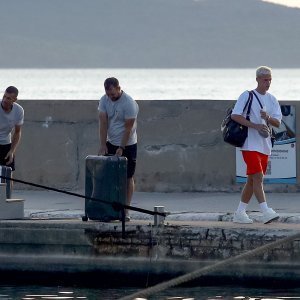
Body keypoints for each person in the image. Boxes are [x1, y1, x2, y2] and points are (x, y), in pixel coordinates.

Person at [231, 66, 282, 224]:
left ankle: (239, 212)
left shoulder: (272, 99)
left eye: (270, 80)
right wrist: (254, 125)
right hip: (249, 144)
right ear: (258, 79)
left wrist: (267, 118)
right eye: (265, 79)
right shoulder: (247, 95)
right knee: (258, 177)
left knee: (252, 180)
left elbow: (278, 122)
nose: (268, 83)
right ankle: (265, 211)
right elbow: (235, 115)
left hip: (265, 144)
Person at [98, 77, 139, 221]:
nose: (111, 97)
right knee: (109, 177)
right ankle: (109, 209)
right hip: (111, 141)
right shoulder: (104, 100)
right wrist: (103, 144)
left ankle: (126, 210)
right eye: (108, 95)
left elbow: (128, 128)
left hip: (128, 143)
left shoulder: (129, 103)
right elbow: (103, 123)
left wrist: (122, 147)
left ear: (119, 88)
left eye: (113, 94)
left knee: (127, 177)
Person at [0, 86, 24, 172]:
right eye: (4, 96)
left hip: (6, 143)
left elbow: (17, 132)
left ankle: (9, 186)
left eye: (8, 98)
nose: (5, 100)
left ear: (14, 100)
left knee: (9, 174)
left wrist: (12, 151)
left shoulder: (19, 110)